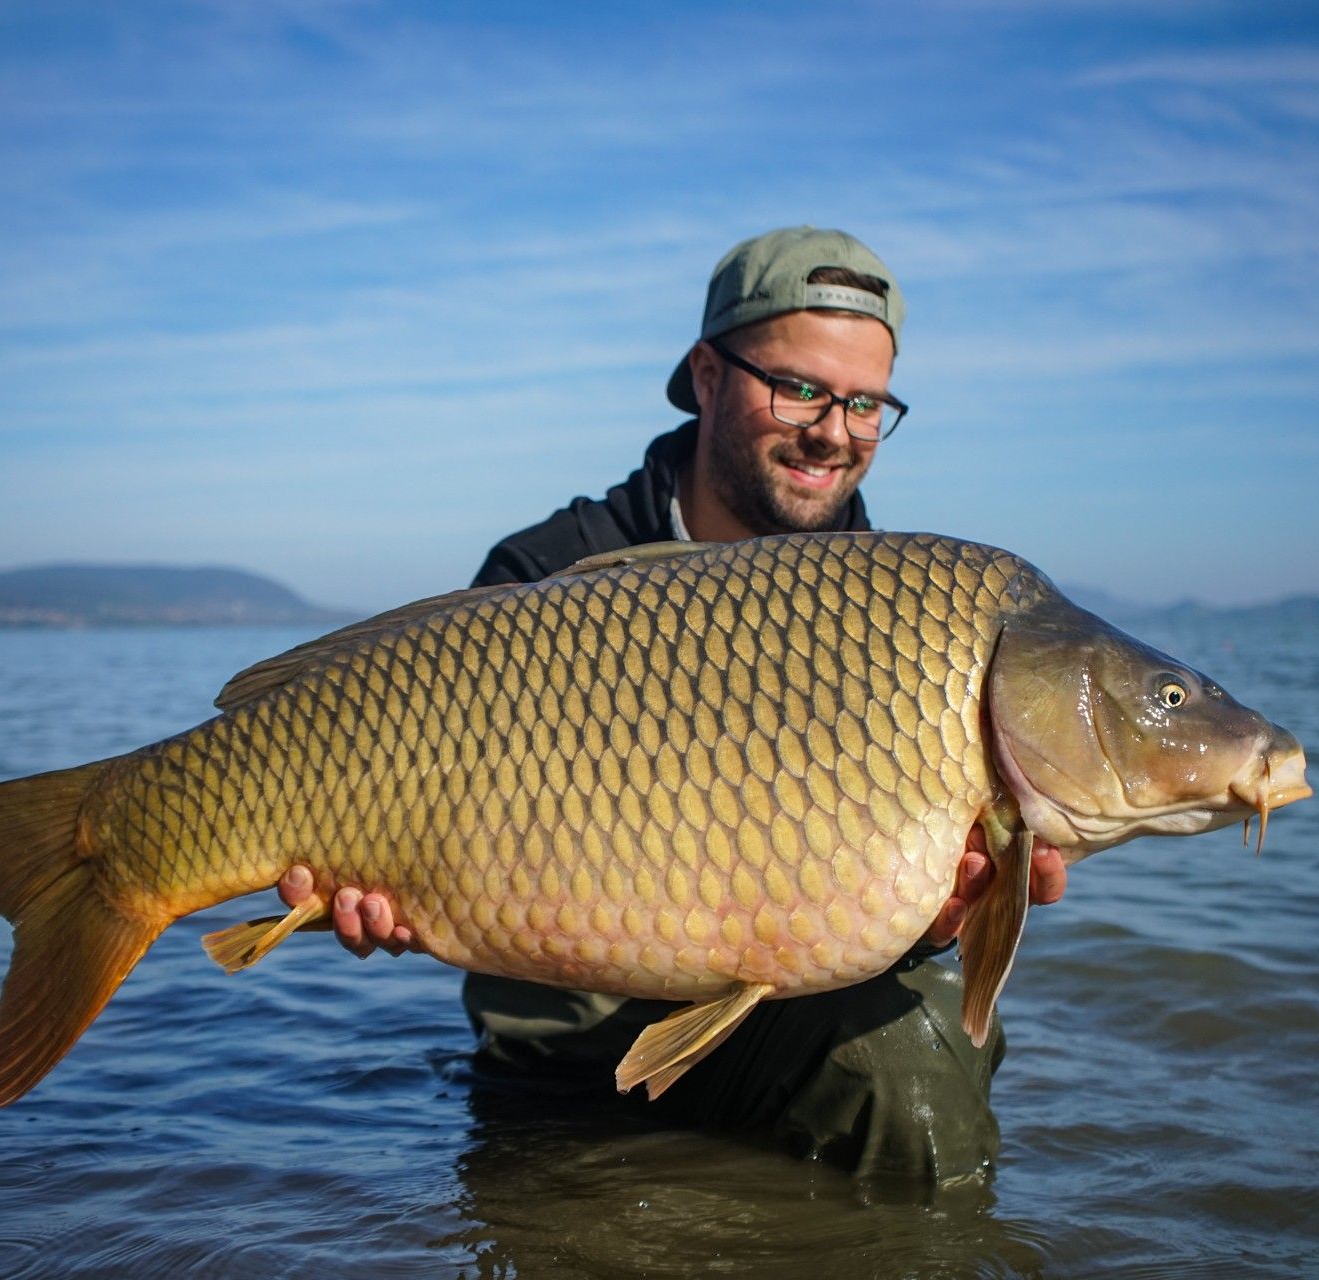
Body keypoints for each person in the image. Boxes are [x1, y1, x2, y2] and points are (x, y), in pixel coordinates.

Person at [276, 227, 1068, 1182]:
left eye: (865, 405)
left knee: (920, 1081)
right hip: (566, 1029)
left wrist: (942, 914)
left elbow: (887, 912)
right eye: (801, 388)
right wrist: (366, 892)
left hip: (795, 1015)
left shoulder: (903, 612)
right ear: (704, 375)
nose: (833, 431)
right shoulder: (541, 574)